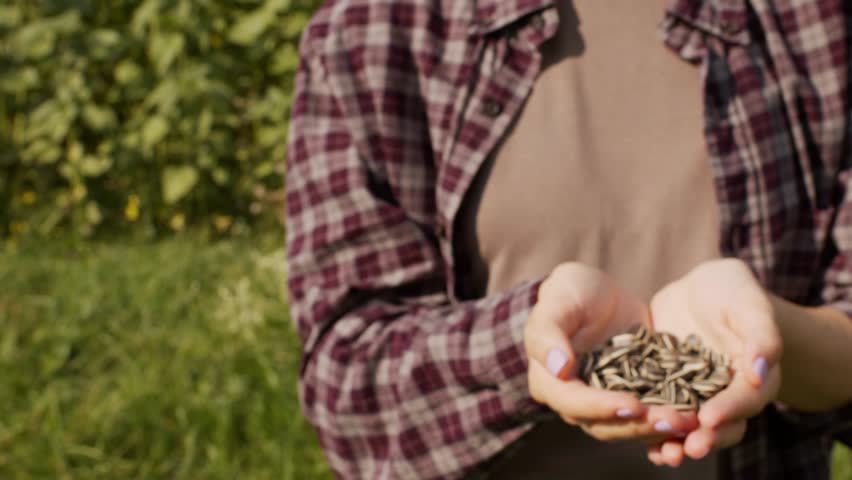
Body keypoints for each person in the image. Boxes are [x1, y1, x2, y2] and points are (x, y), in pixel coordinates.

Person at [285, 0, 852, 478]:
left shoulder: (813, 20)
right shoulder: (374, 30)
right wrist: (523, 345)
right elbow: (346, 391)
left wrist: (777, 337)